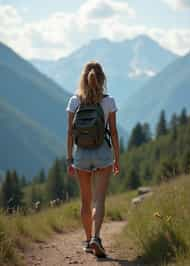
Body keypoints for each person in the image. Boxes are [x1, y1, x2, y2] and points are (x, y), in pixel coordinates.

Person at [66, 61, 120, 258]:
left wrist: (69, 159)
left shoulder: (74, 101)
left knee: (85, 201)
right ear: (102, 79)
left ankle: (88, 241)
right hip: (103, 154)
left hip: (81, 155)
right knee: (99, 199)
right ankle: (97, 238)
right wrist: (117, 159)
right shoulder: (109, 101)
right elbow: (113, 132)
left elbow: (70, 133)